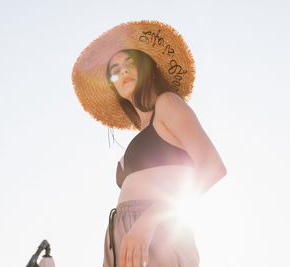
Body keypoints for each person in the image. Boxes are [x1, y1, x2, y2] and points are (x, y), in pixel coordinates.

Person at [72, 21, 227, 267]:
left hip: (158, 232)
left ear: (149, 68)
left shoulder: (168, 104)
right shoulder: (142, 131)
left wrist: (147, 221)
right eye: (114, 70)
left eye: (129, 64)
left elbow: (213, 168)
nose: (122, 72)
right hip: (122, 239)